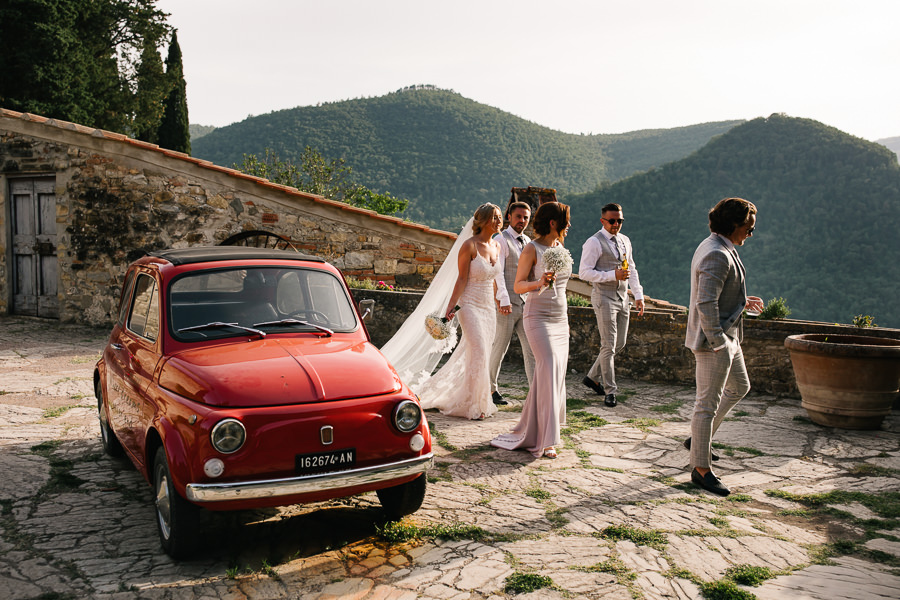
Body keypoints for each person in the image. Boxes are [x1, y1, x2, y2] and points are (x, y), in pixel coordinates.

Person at [685, 197, 765, 496]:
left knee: (740, 386)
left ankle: (697, 440)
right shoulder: (717, 253)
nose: (750, 233)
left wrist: (744, 300)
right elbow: (705, 303)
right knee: (705, 404)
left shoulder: (718, 245)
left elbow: (719, 292)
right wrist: (718, 342)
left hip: (728, 336)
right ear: (734, 224)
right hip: (715, 341)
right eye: (748, 227)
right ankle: (701, 469)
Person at [401, 203, 505, 420]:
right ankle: (473, 404)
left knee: (483, 352)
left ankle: (473, 397)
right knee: (479, 351)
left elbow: (495, 279)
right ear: (483, 220)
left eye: (499, 217)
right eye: (494, 217)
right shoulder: (469, 246)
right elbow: (461, 279)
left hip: (488, 308)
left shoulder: (497, 246)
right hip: (469, 306)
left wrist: (500, 300)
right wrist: (451, 308)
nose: (499, 220)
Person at [491, 202, 571, 458]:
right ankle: (545, 440)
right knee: (546, 366)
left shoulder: (560, 248)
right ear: (553, 222)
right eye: (566, 221)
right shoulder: (531, 248)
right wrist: (540, 282)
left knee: (554, 372)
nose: (569, 225)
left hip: (560, 317)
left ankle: (544, 429)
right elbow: (517, 286)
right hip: (537, 316)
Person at [578, 203, 644, 407]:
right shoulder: (593, 242)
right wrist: (611, 275)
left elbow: (631, 267)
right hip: (604, 297)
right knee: (608, 345)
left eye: (620, 221)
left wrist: (638, 295)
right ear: (603, 221)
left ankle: (591, 376)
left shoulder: (625, 240)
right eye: (612, 221)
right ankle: (610, 390)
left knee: (619, 344)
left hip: (623, 298)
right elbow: (584, 273)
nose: (616, 224)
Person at [488, 201, 536, 406]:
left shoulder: (527, 240)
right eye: (519, 217)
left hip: (525, 304)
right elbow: (497, 273)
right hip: (506, 305)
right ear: (509, 217)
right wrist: (503, 300)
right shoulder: (501, 239)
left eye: (526, 217)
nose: (522, 221)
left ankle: (536, 390)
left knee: (531, 348)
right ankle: (490, 389)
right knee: (499, 347)